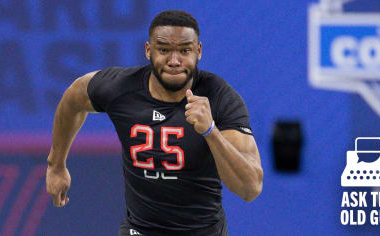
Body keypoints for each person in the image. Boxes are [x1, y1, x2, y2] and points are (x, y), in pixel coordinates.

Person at [46, 10, 263, 236]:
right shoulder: (120, 88)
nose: (174, 61)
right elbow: (73, 98)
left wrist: (211, 131)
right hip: (139, 230)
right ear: (148, 51)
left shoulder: (219, 98)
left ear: (198, 52)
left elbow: (250, 188)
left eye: (185, 50)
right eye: (164, 50)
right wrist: (56, 164)